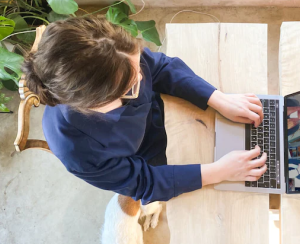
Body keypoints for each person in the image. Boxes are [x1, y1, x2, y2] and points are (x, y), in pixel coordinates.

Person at [22, 17, 267, 205]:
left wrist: (216, 98)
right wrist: (220, 171)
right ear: (95, 103)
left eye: (137, 62)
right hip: (155, 163)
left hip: (167, 115)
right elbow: (143, 182)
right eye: (130, 84)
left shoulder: (114, 57)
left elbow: (160, 68)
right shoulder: (77, 150)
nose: (141, 74)